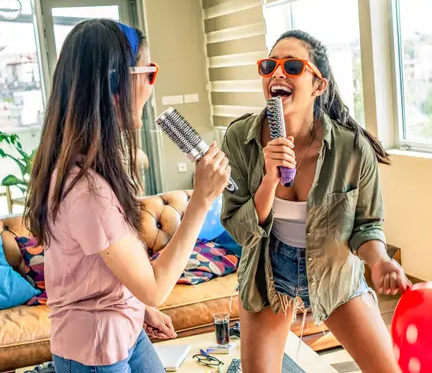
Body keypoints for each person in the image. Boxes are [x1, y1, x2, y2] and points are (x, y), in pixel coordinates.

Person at [24, 19, 231, 372]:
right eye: (149, 73)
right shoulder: (87, 190)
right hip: (95, 351)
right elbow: (155, 288)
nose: (152, 87)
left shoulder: (90, 165)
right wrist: (201, 200)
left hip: (125, 328)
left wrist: (136, 306)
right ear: (114, 86)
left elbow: (99, 270)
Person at [221, 30, 410, 373]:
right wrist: (269, 181)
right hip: (267, 272)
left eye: (292, 66)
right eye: (269, 65)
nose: (277, 73)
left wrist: (379, 260)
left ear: (318, 85)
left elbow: (366, 226)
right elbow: (238, 228)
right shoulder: (239, 137)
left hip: (333, 271)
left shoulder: (352, 149)